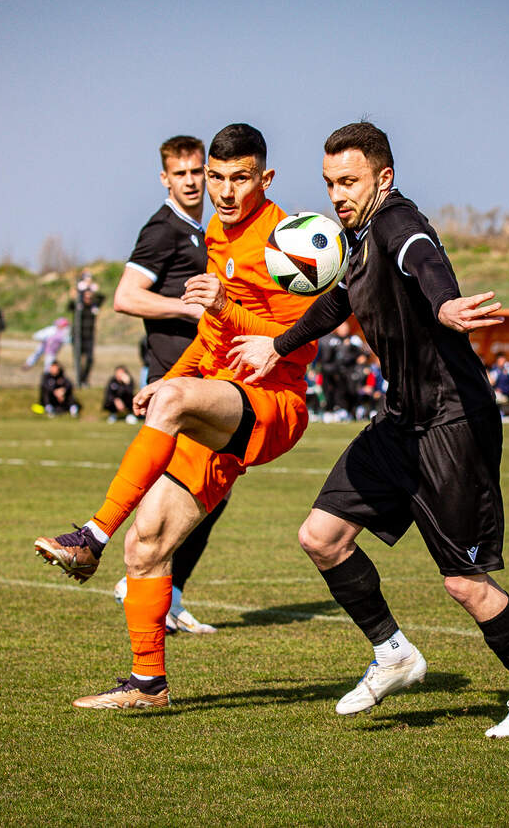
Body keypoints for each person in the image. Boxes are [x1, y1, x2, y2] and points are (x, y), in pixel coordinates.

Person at [227, 121, 509, 738]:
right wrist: (278, 345)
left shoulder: (396, 222)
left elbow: (422, 258)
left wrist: (444, 303)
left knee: (463, 583)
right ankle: (393, 653)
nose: (337, 194)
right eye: (330, 182)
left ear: (383, 177)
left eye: (349, 181)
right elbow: (340, 301)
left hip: (451, 422)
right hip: (401, 419)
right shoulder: (355, 238)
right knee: (322, 537)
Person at [33, 123, 318, 709]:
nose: (225, 191)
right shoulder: (215, 231)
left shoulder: (287, 239)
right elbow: (213, 334)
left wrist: (226, 312)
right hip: (220, 401)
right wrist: (171, 375)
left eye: (241, 178)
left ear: (265, 178)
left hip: (273, 404)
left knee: (174, 403)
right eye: (216, 177)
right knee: (147, 544)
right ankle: (148, 684)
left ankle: (91, 536)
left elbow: (302, 342)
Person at [110, 134, 222, 634]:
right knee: (190, 488)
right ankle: (142, 582)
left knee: (213, 487)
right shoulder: (163, 229)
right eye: (182, 174)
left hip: (203, 376)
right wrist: (185, 308)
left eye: (198, 171)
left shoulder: (206, 229)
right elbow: (126, 295)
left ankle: (169, 592)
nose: (192, 181)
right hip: (174, 378)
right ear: (165, 178)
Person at [68, 285, 103, 387]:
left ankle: (84, 380)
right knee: (77, 359)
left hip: (89, 337)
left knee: (90, 359)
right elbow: (69, 306)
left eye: (90, 296)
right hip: (78, 337)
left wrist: (93, 288)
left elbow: (102, 297)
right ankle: (79, 380)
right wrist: (75, 294)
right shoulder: (78, 305)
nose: (88, 298)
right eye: (86, 296)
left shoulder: (94, 306)